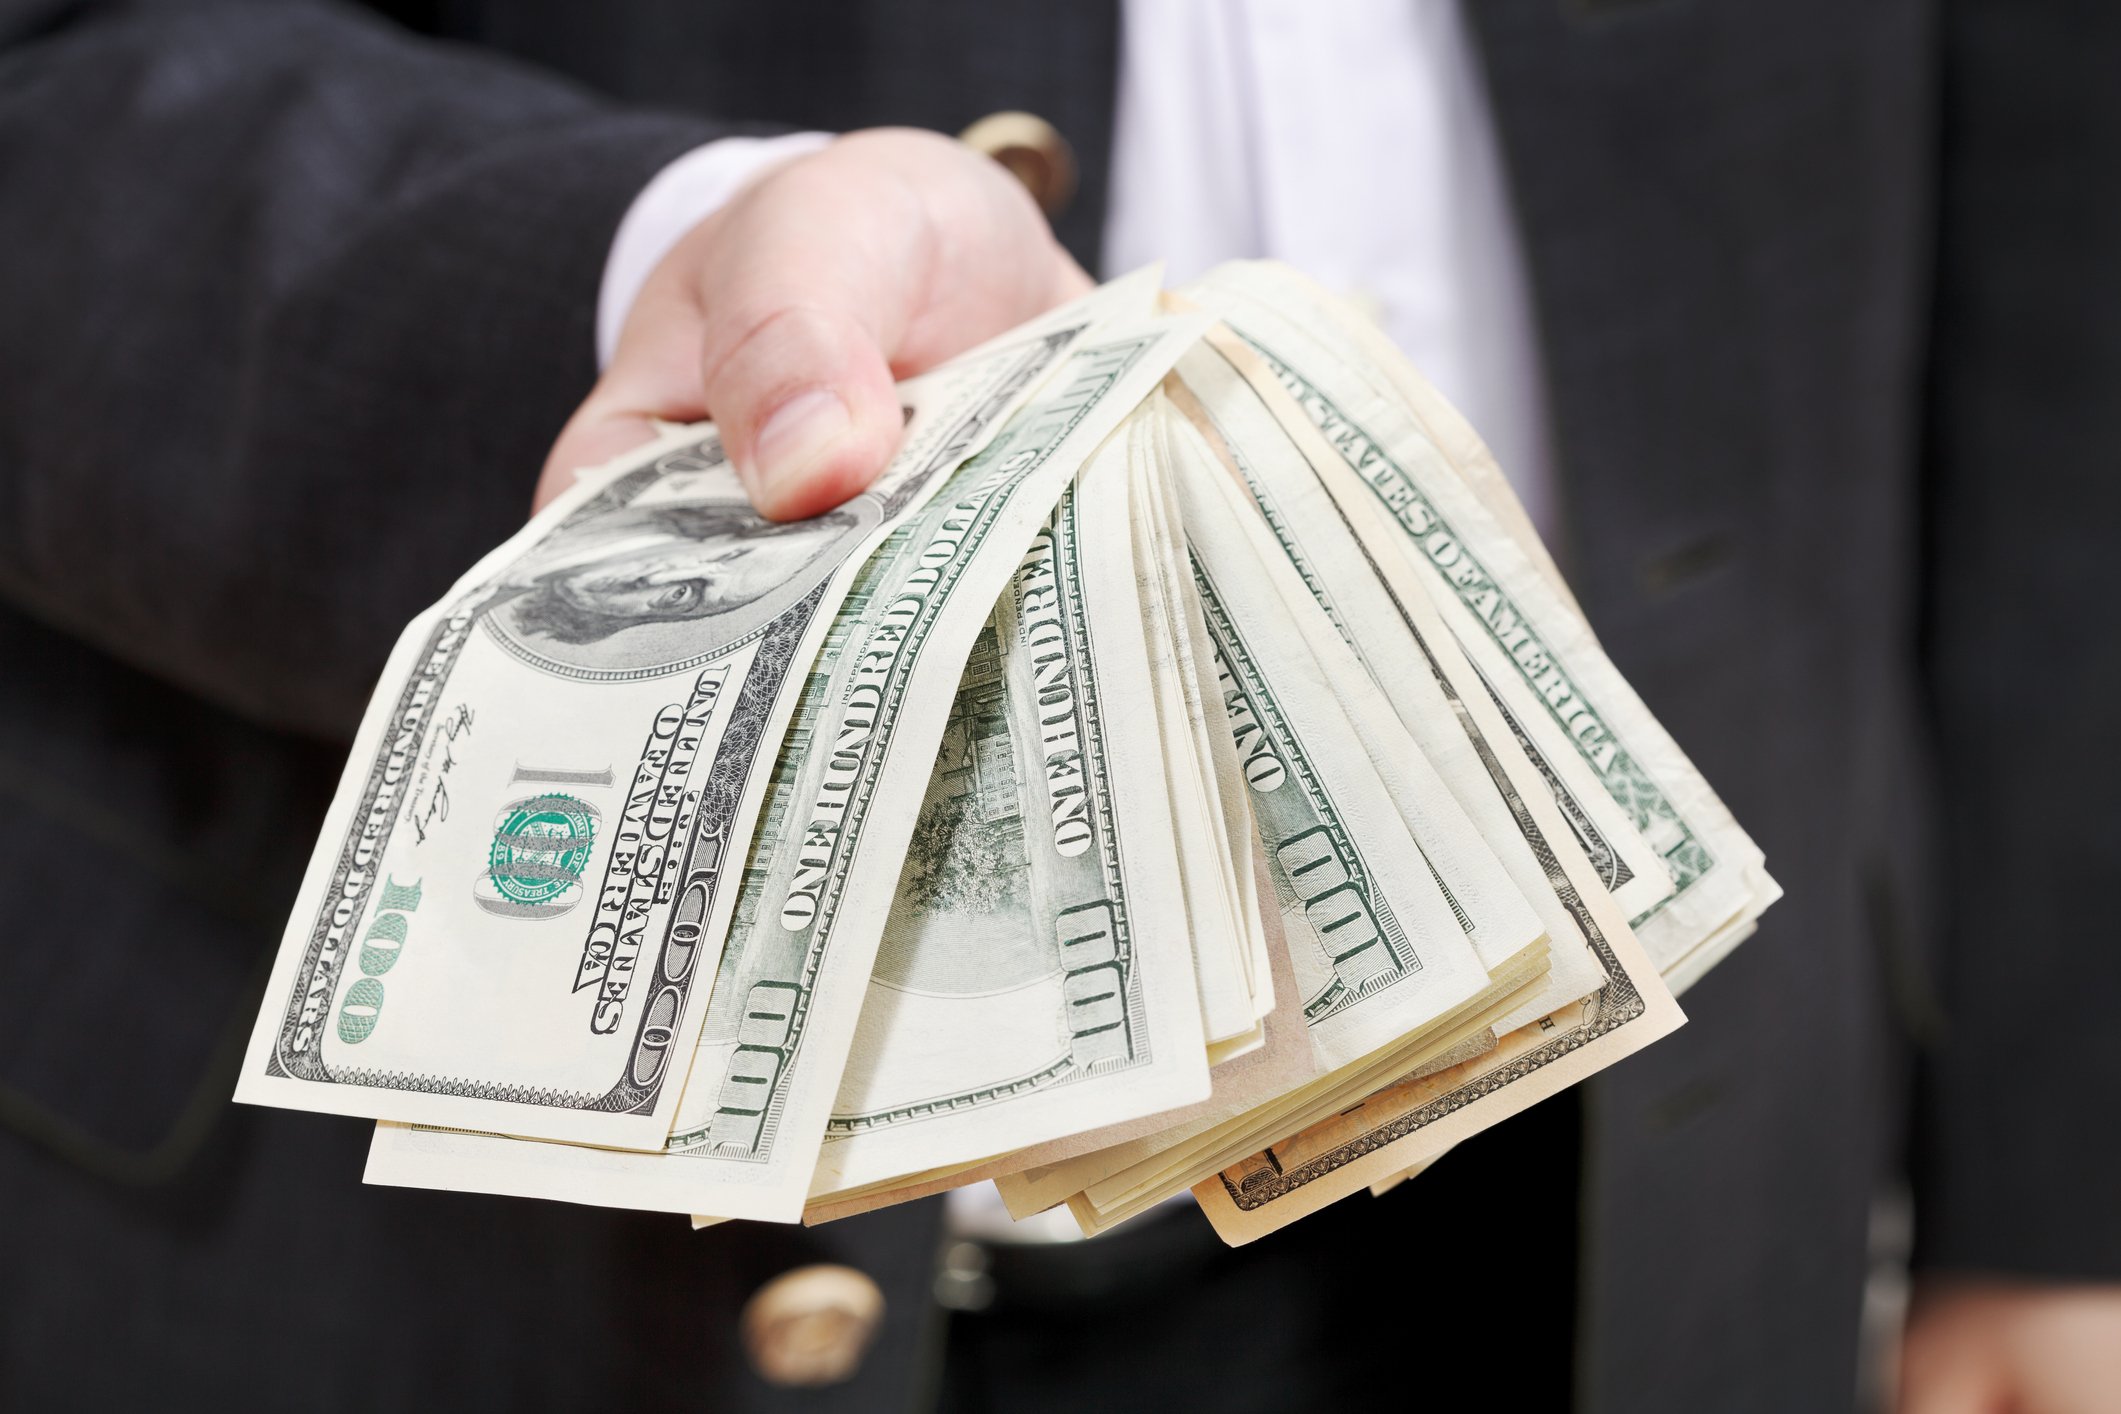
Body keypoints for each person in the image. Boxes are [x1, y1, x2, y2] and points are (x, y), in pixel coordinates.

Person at [3, 2, 2117, 1411]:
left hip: (1609, 1167)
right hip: (469, 1256)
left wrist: (2058, 1165)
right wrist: (652, 256)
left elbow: (2055, 190)